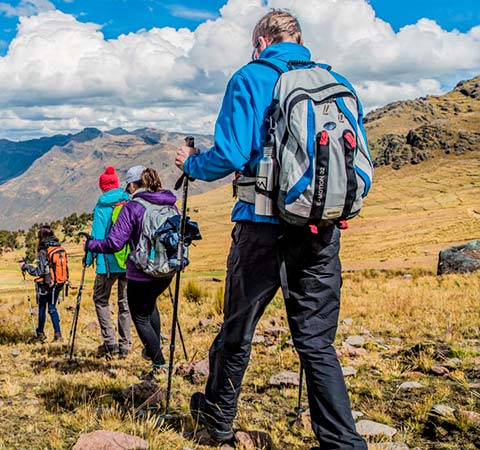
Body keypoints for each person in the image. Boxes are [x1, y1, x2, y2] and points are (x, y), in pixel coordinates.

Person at [174, 10, 369, 448]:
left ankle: (218, 424)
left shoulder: (250, 77)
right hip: (321, 230)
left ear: (261, 40)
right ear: (298, 40)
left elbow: (229, 154)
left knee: (237, 331)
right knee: (317, 343)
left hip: (261, 228)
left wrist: (191, 164)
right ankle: (343, 443)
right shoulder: (338, 84)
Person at [86, 166, 177, 376]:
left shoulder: (133, 207)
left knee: (141, 317)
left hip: (141, 271)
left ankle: (159, 363)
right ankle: (153, 350)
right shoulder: (169, 203)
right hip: (167, 269)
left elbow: (114, 243)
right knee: (149, 305)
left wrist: (91, 247)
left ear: (133, 185)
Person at [84, 166, 133, 359]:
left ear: (103, 187)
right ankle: (125, 345)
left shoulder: (102, 207)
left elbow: (95, 236)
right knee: (125, 303)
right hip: (128, 262)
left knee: (101, 300)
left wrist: (88, 259)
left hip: (106, 263)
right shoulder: (129, 202)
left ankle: (110, 342)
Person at [21, 225, 64, 343]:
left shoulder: (43, 250)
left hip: (46, 285)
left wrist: (26, 267)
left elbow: (39, 271)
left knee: (42, 308)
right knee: (52, 308)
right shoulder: (58, 247)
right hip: (58, 283)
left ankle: (40, 334)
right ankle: (58, 334)